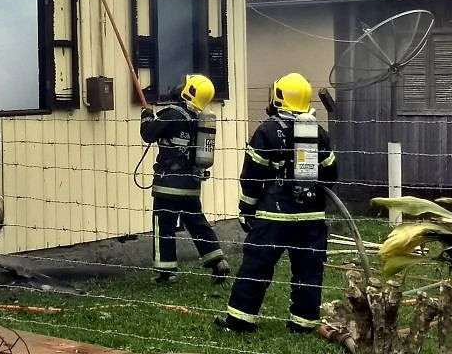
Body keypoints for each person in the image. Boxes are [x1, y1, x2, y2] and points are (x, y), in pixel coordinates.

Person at [215, 73, 336, 334]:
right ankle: (303, 324)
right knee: (308, 271)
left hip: (274, 217)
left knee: (257, 266)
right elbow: (331, 174)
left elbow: (252, 175)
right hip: (311, 219)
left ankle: (240, 321)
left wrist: (247, 210)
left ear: (279, 98)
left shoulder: (268, 131)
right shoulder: (319, 133)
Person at [140, 73, 230, 284]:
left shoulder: (171, 114)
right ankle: (217, 260)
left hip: (168, 183)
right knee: (197, 222)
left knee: (164, 224)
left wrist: (146, 115)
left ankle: (166, 271)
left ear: (189, 91)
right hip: (191, 183)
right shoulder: (199, 119)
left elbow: (148, 134)